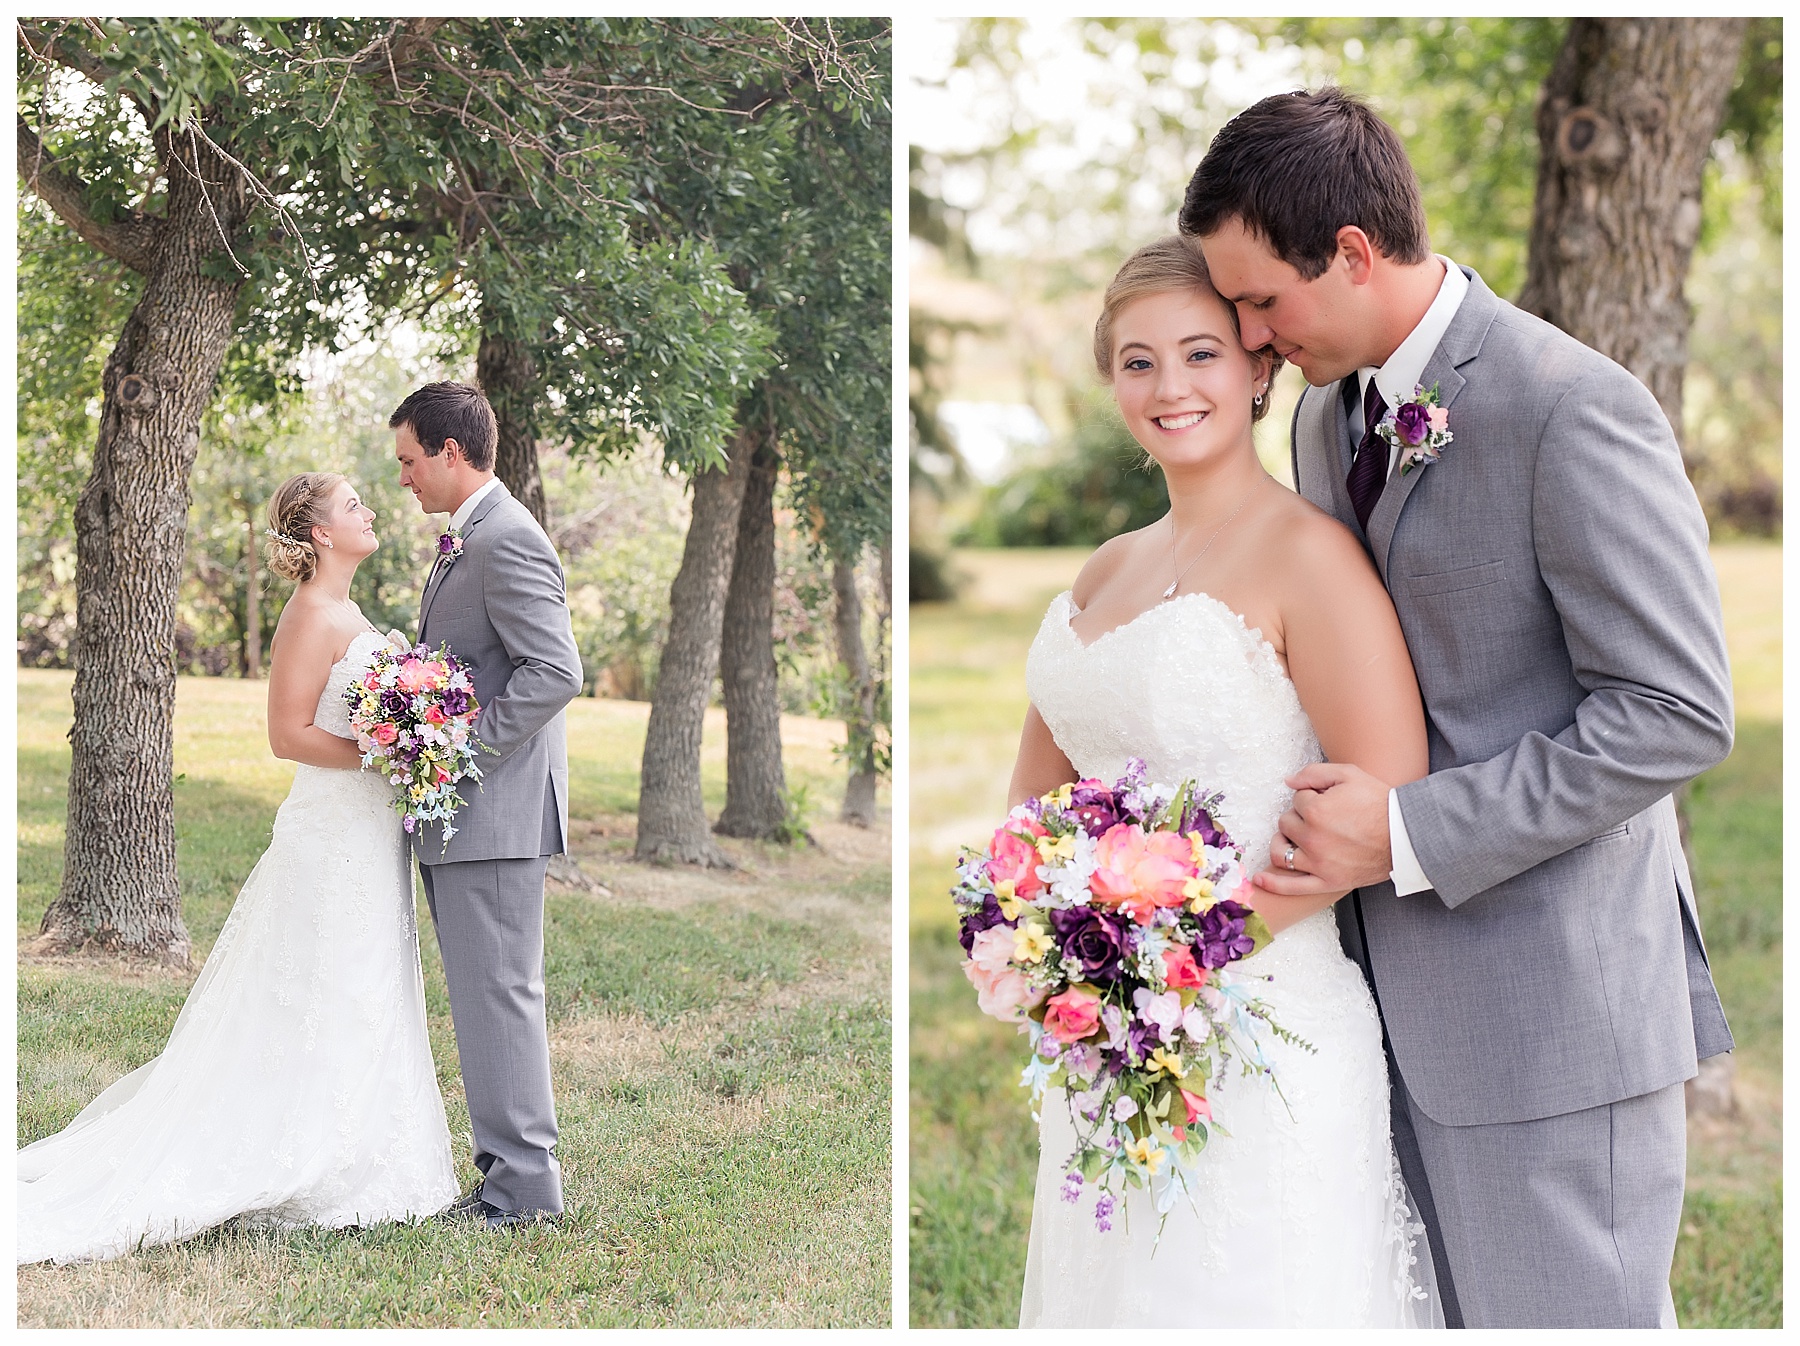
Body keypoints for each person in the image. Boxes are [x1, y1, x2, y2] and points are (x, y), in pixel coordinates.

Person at [1182, 87, 1734, 1329]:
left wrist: (1410, 830)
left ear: (1357, 254)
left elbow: (1676, 708)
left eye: (1262, 300)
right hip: (1383, 1001)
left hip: (1554, 1017)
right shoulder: (1333, 412)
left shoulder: (1568, 405)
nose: (1254, 340)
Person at [1011, 234, 1442, 1327]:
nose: (1170, 387)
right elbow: (1033, 804)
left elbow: (1385, 793)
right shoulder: (1102, 566)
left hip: (1264, 1025)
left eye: (1200, 353)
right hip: (1107, 1027)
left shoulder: (1309, 556)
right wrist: (1061, 949)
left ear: (1257, 368)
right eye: (1138, 360)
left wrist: (1178, 962)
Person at [18, 474, 458, 1266]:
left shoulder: (350, 612)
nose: (368, 511)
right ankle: (303, 1159)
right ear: (321, 533)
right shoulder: (310, 615)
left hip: (367, 834)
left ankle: (361, 1151)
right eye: (352, 505)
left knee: (364, 984)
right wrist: (390, 752)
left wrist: (403, 748)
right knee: (326, 983)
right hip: (330, 835)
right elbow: (287, 736)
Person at [390, 382, 583, 1229]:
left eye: (407, 461)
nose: (402, 478)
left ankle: (525, 1192)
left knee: (500, 994)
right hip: (468, 819)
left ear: (451, 452)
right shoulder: (467, 538)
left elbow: (556, 672)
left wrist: (458, 753)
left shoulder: (506, 539)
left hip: (494, 812)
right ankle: (503, 1177)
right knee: (481, 995)